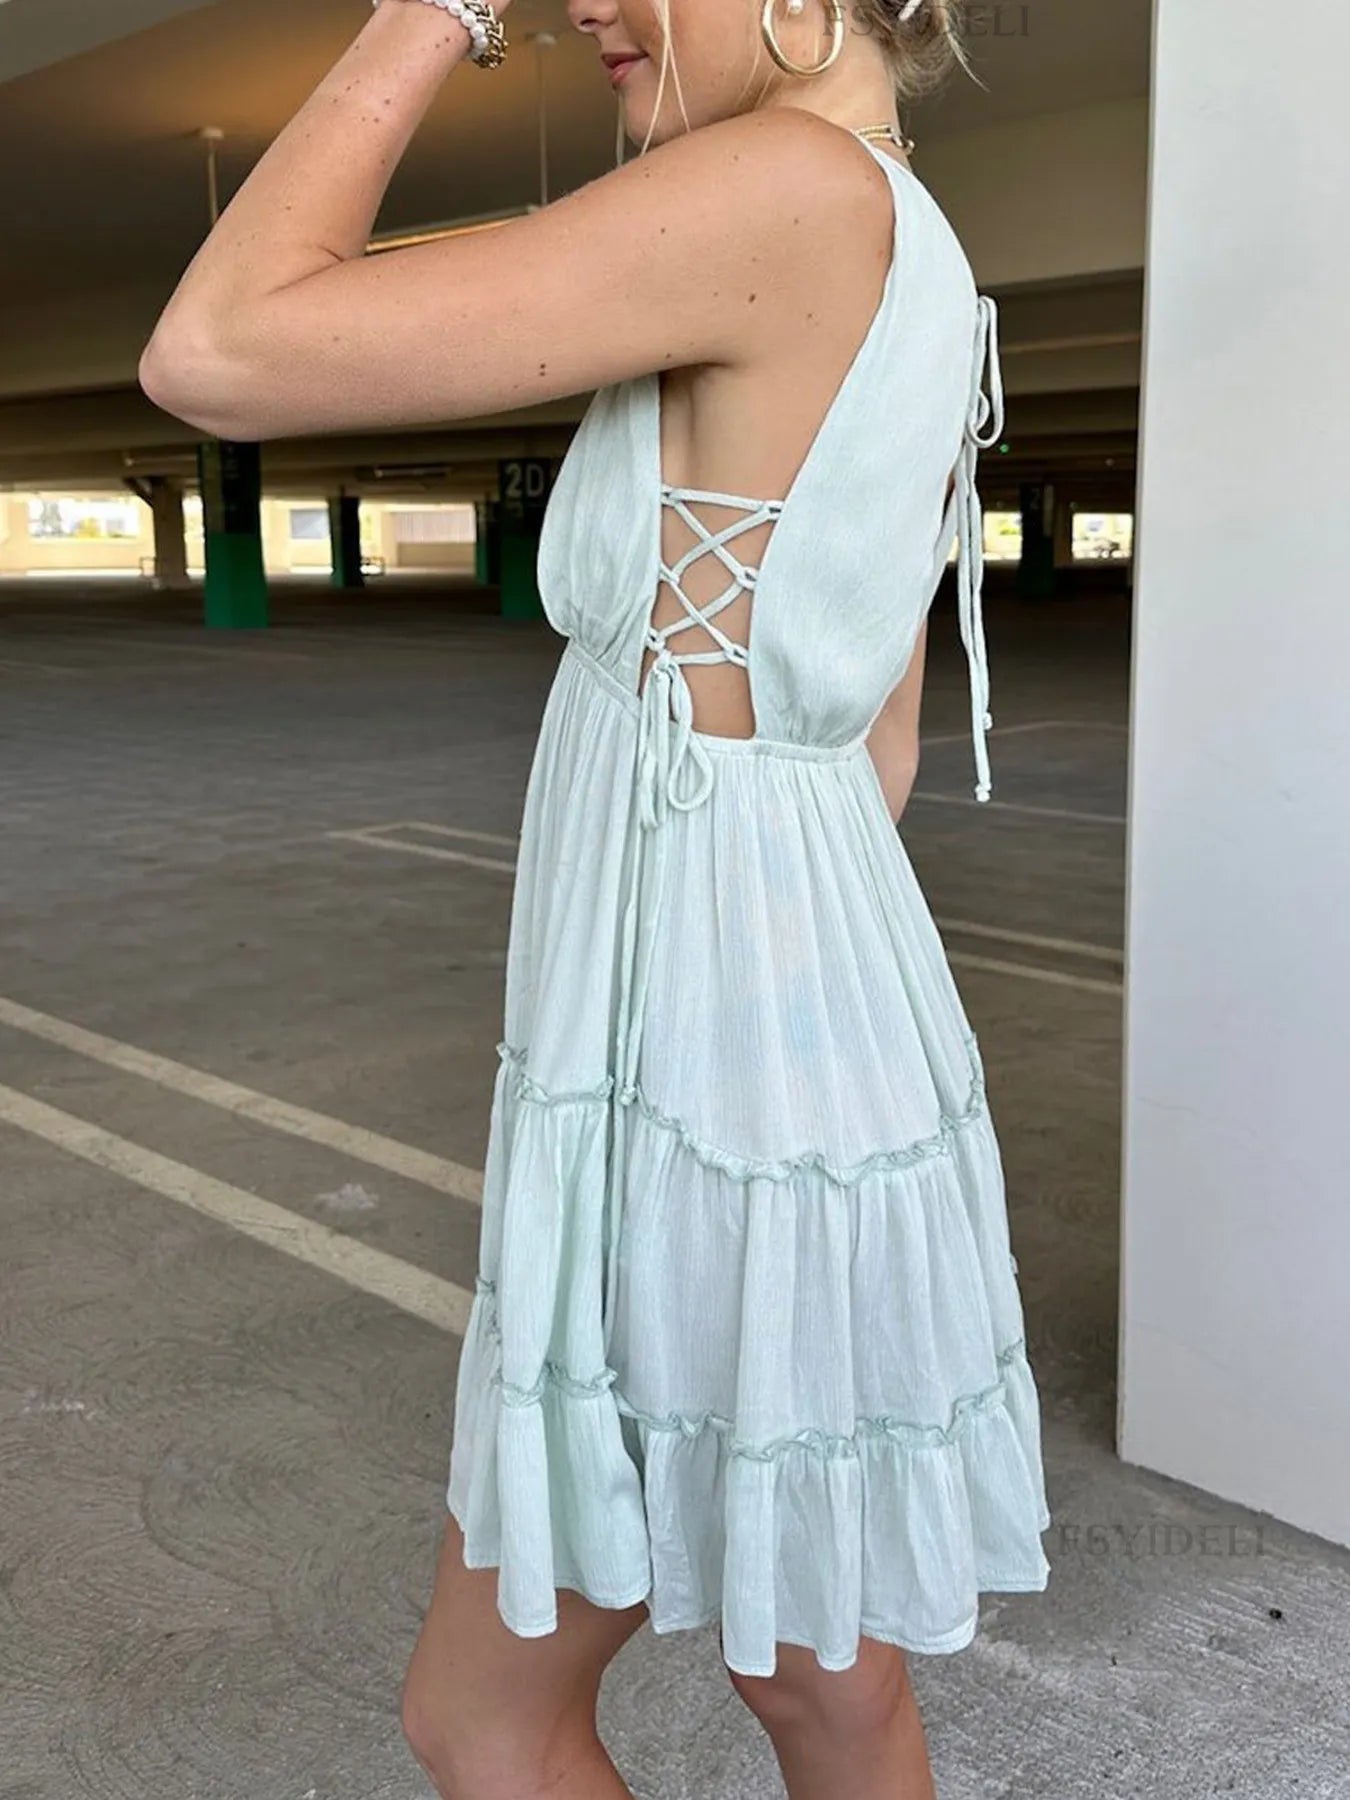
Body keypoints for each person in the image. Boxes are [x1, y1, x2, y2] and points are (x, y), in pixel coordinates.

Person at [140, 0, 1052, 1795]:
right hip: (820, 1040)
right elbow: (876, 738)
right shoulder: (919, 246)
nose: (577, 6)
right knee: (821, 1684)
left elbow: (217, 349)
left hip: (687, 1065)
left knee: (485, 1715)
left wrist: (430, 15)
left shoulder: (777, 183)